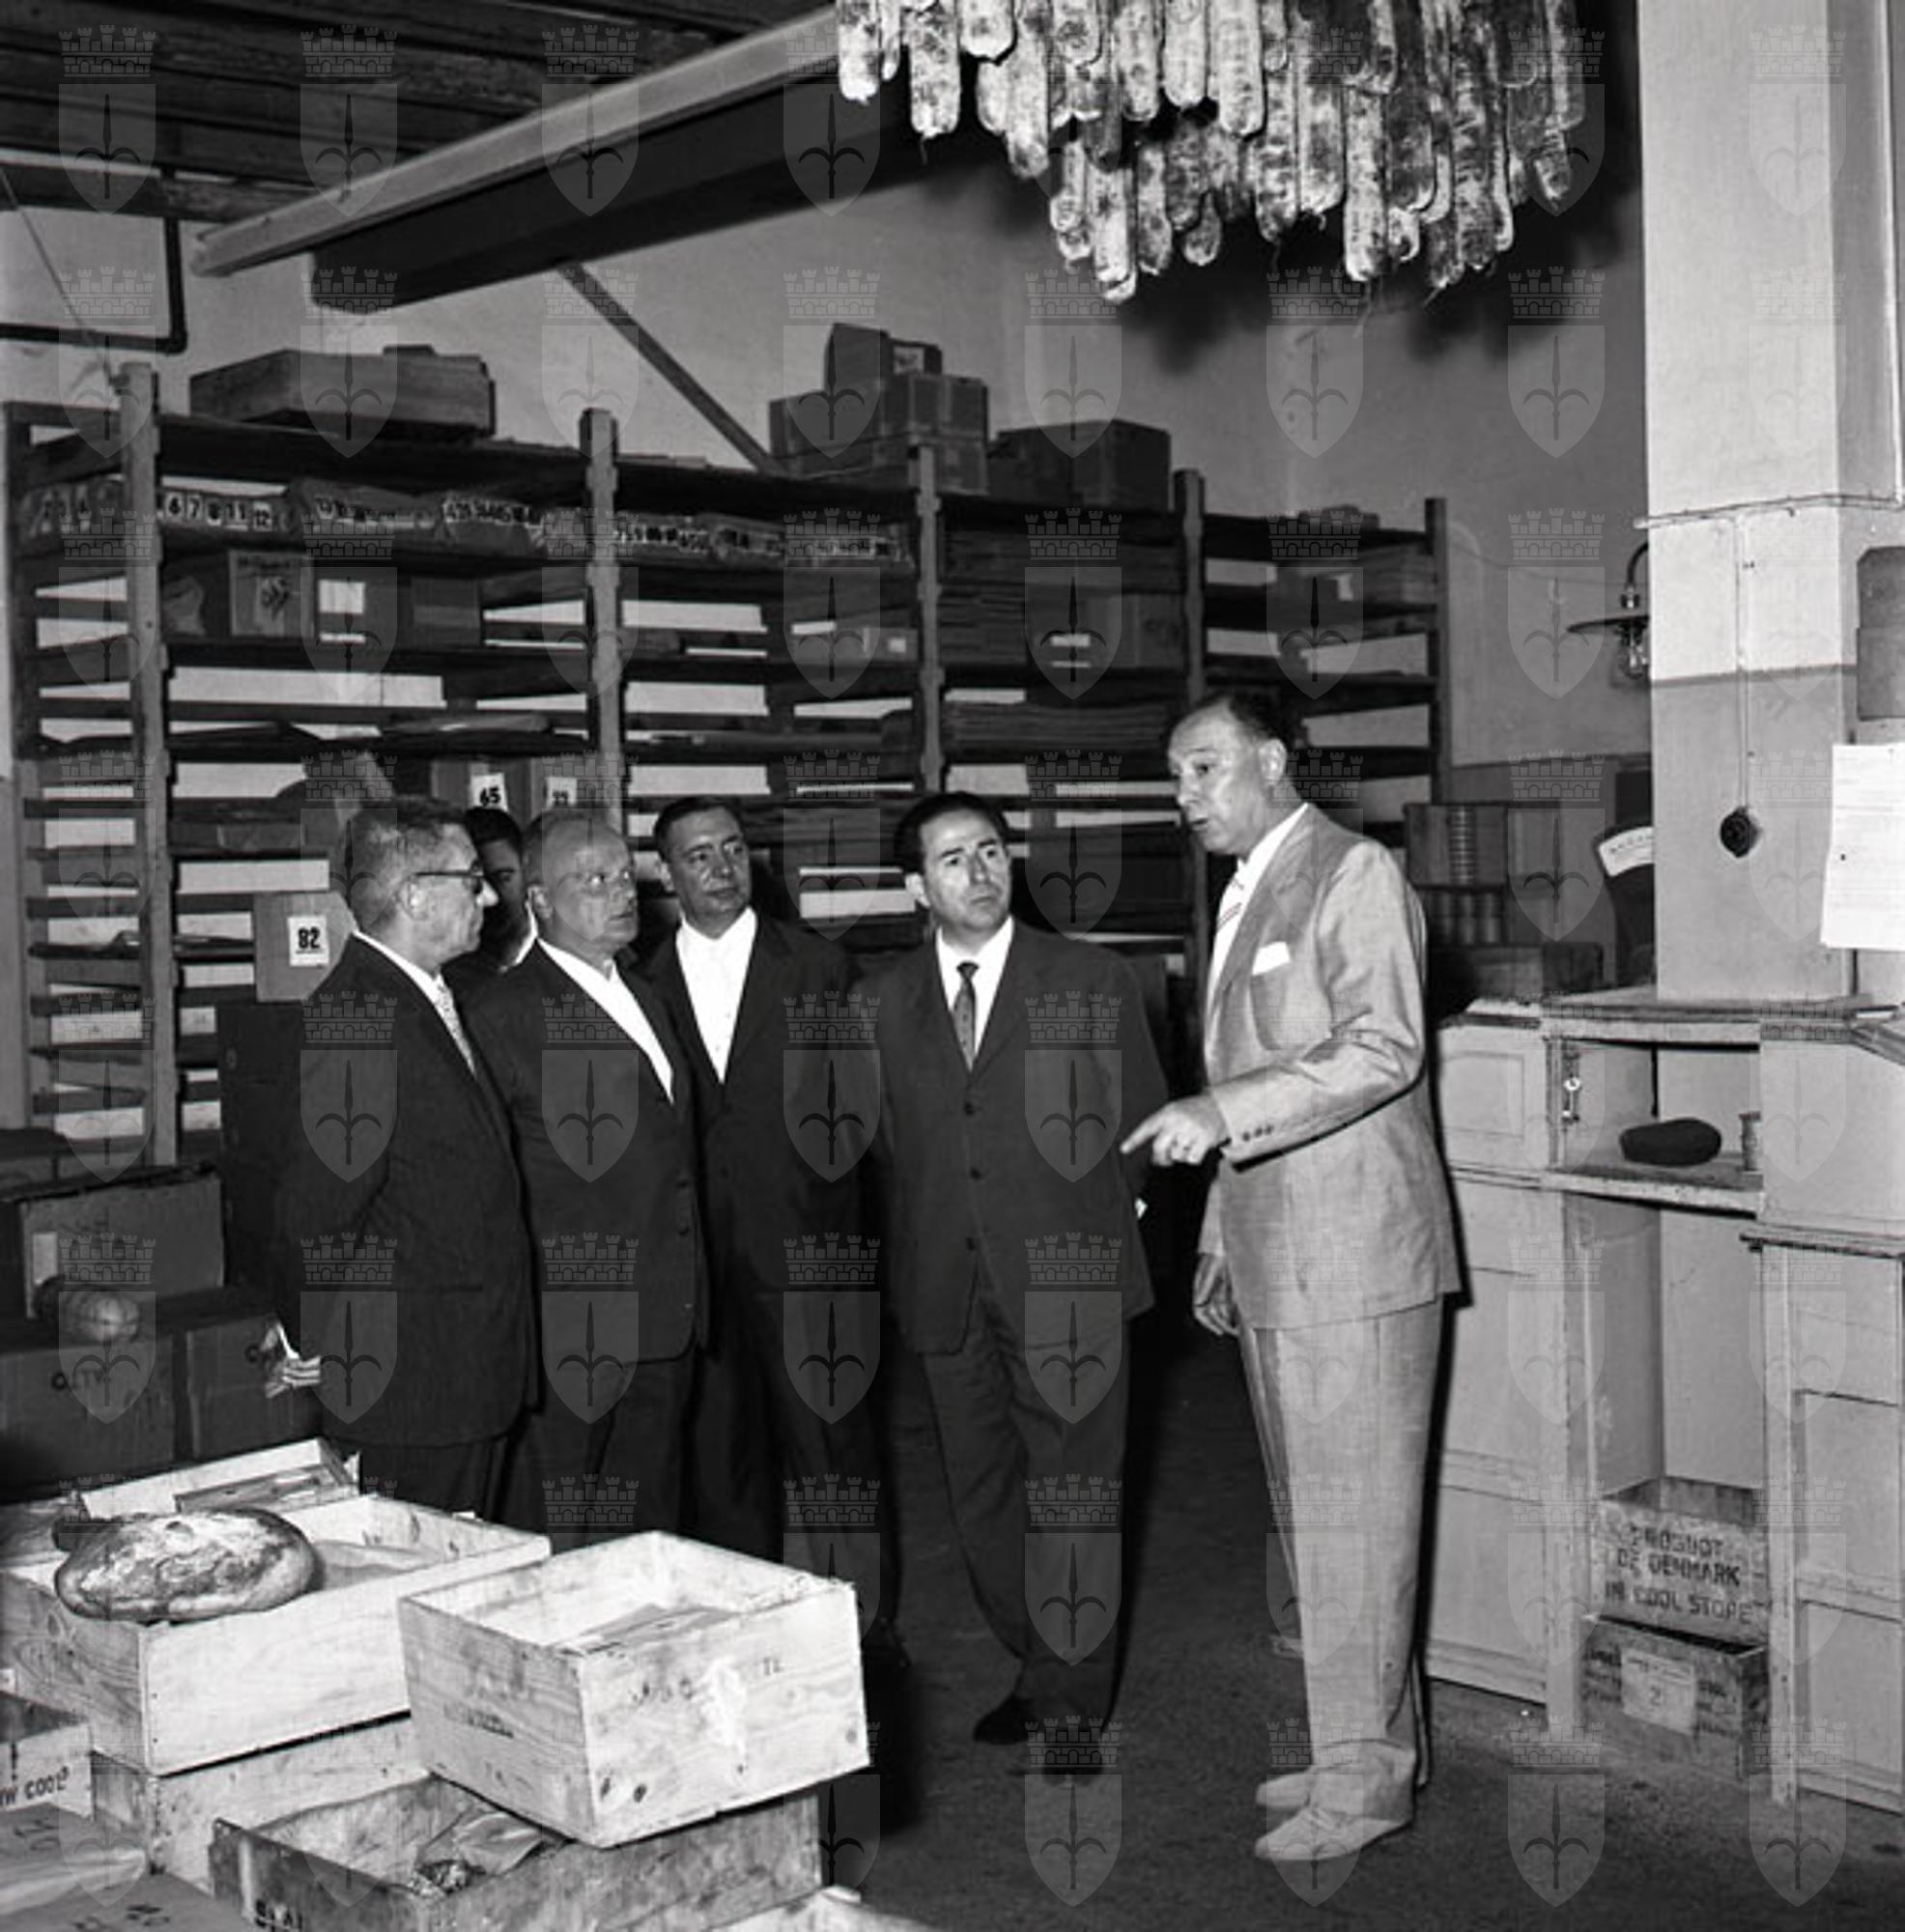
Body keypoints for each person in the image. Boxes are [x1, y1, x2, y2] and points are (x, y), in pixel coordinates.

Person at [1123, 691, 1459, 1865]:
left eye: (1203, 768)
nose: (1184, 795)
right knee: (1319, 1525)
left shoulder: (1349, 871)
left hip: (1356, 1255)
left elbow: (1382, 1047)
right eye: (1175, 775)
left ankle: (1364, 1787)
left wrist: (1222, 1112)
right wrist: (1222, 1232)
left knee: (1355, 1527)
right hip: (1283, 1250)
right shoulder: (1247, 886)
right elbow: (1253, 1058)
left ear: (1271, 762)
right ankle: (1363, 1748)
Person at [862, 793, 1166, 1747]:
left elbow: (1139, 1128)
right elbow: (885, 1147)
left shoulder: (1090, 977)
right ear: (917, 887)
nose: (980, 872)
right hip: (945, 1286)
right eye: (953, 859)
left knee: (1074, 1490)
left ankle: (1071, 1697)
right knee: (983, 1493)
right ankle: (1037, 1657)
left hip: (1067, 1282)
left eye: (991, 850)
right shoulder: (879, 1000)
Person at [641, 797, 899, 1650]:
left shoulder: (819, 966)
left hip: (810, 1254)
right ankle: (743, 1635)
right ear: (667, 874)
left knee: (832, 1452)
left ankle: (859, 1634)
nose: (721, 868)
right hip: (701, 1273)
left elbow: (866, 1124)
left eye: (732, 849)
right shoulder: (640, 984)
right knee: (723, 1462)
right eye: (698, 856)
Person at [273, 798, 533, 1514]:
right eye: (471, 879)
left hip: (464, 1375)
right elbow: (316, 1209)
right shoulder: (360, 1015)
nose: (488, 897)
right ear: (416, 896)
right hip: (411, 1391)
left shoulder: (430, 997)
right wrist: (312, 1344)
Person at [464, 810, 705, 1546]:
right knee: (559, 1535)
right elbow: (487, 1187)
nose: (620, 892)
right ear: (538, 899)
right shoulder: (501, 1014)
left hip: (665, 1314)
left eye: (624, 875)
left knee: (648, 1534)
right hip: (568, 1331)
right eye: (593, 880)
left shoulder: (645, 994)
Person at [444, 806, 535, 1001]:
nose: (491, 896)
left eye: (503, 878)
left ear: (528, 869)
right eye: (476, 882)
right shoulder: (445, 964)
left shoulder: (565, 944)